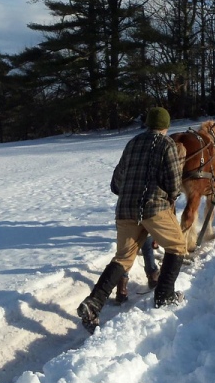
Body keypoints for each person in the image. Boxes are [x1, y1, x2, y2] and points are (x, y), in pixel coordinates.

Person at [77, 107, 188, 333]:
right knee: (177, 247)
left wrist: (129, 194)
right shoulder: (167, 145)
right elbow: (174, 183)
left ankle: (93, 303)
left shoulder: (132, 143)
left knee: (123, 258)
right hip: (155, 207)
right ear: (166, 125)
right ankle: (164, 296)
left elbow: (116, 181)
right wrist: (170, 197)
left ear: (147, 124)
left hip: (125, 210)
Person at [114, 235, 160, 304]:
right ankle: (153, 276)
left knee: (125, 256)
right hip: (145, 228)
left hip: (128, 230)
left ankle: (121, 289)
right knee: (148, 248)